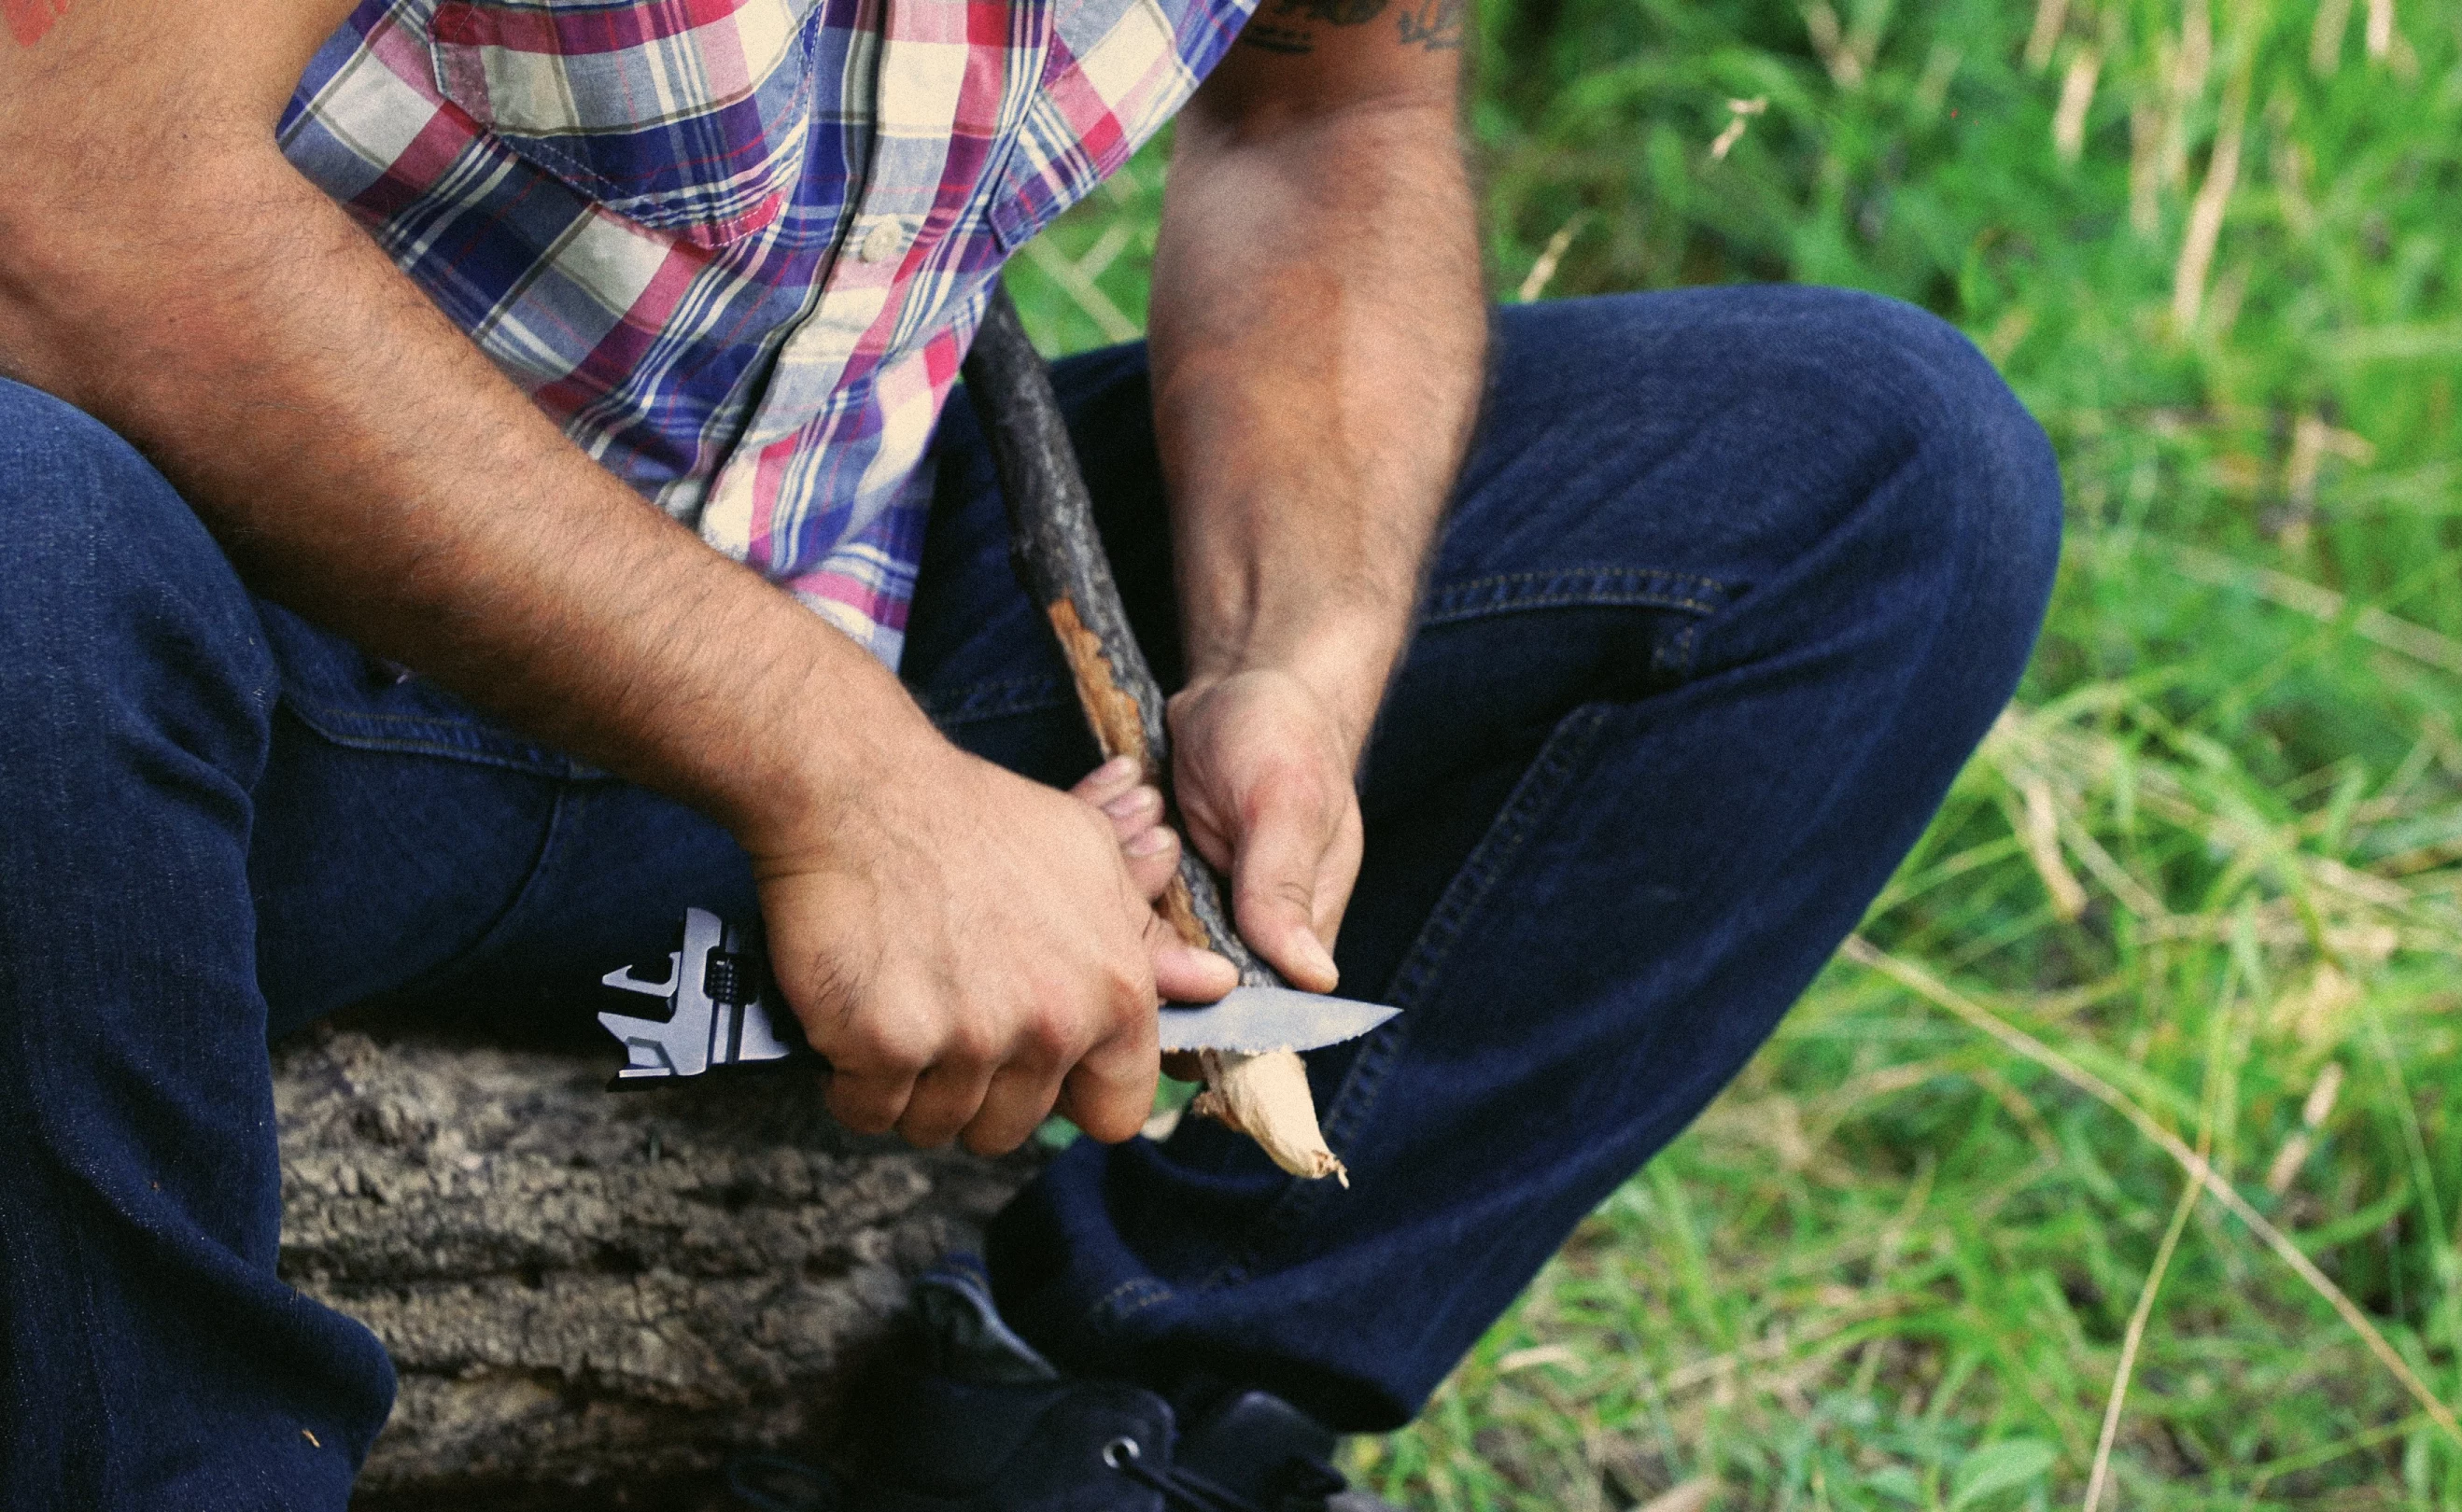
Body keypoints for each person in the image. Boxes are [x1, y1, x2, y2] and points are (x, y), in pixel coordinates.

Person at [0, 0, 2061, 1505]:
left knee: (1870, 470)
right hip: (199, 688)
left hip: (848, 664)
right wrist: (840, 777)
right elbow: (70, 194)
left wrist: (1295, 660)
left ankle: (1086, 1436)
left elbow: (1328, 103)